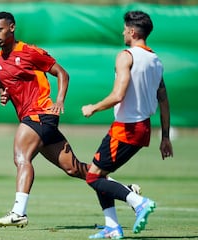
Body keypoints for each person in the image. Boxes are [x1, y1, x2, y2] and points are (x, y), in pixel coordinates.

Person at [0, 11, 140, 228]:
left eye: (0, 30)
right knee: (75, 169)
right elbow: (4, 85)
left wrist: (59, 100)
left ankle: (18, 212)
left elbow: (62, 73)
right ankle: (128, 193)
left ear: (12, 28)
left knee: (21, 158)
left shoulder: (29, 52)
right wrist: (4, 94)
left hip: (40, 113)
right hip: (33, 117)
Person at [82, 10, 173, 239]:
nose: (123, 32)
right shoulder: (156, 60)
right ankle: (112, 227)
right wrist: (165, 137)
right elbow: (164, 100)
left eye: (125, 29)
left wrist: (94, 107)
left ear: (132, 31)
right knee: (100, 174)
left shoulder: (125, 55)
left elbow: (118, 94)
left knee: (93, 177)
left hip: (126, 128)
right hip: (143, 129)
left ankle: (137, 201)